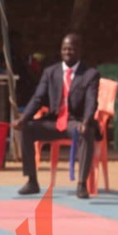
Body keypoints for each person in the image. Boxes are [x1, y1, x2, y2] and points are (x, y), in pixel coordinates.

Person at [13, 32, 99, 199]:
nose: (67, 52)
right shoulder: (50, 72)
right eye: (64, 49)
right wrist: (23, 118)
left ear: (80, 51)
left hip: (75, 122)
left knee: (87, 132)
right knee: (27, 128)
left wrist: (87, 121)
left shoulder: (90, 74)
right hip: (54, 121)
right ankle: (32, 181)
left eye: (71, 49)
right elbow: (38, 98)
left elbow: (91, 101)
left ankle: (82, 184)